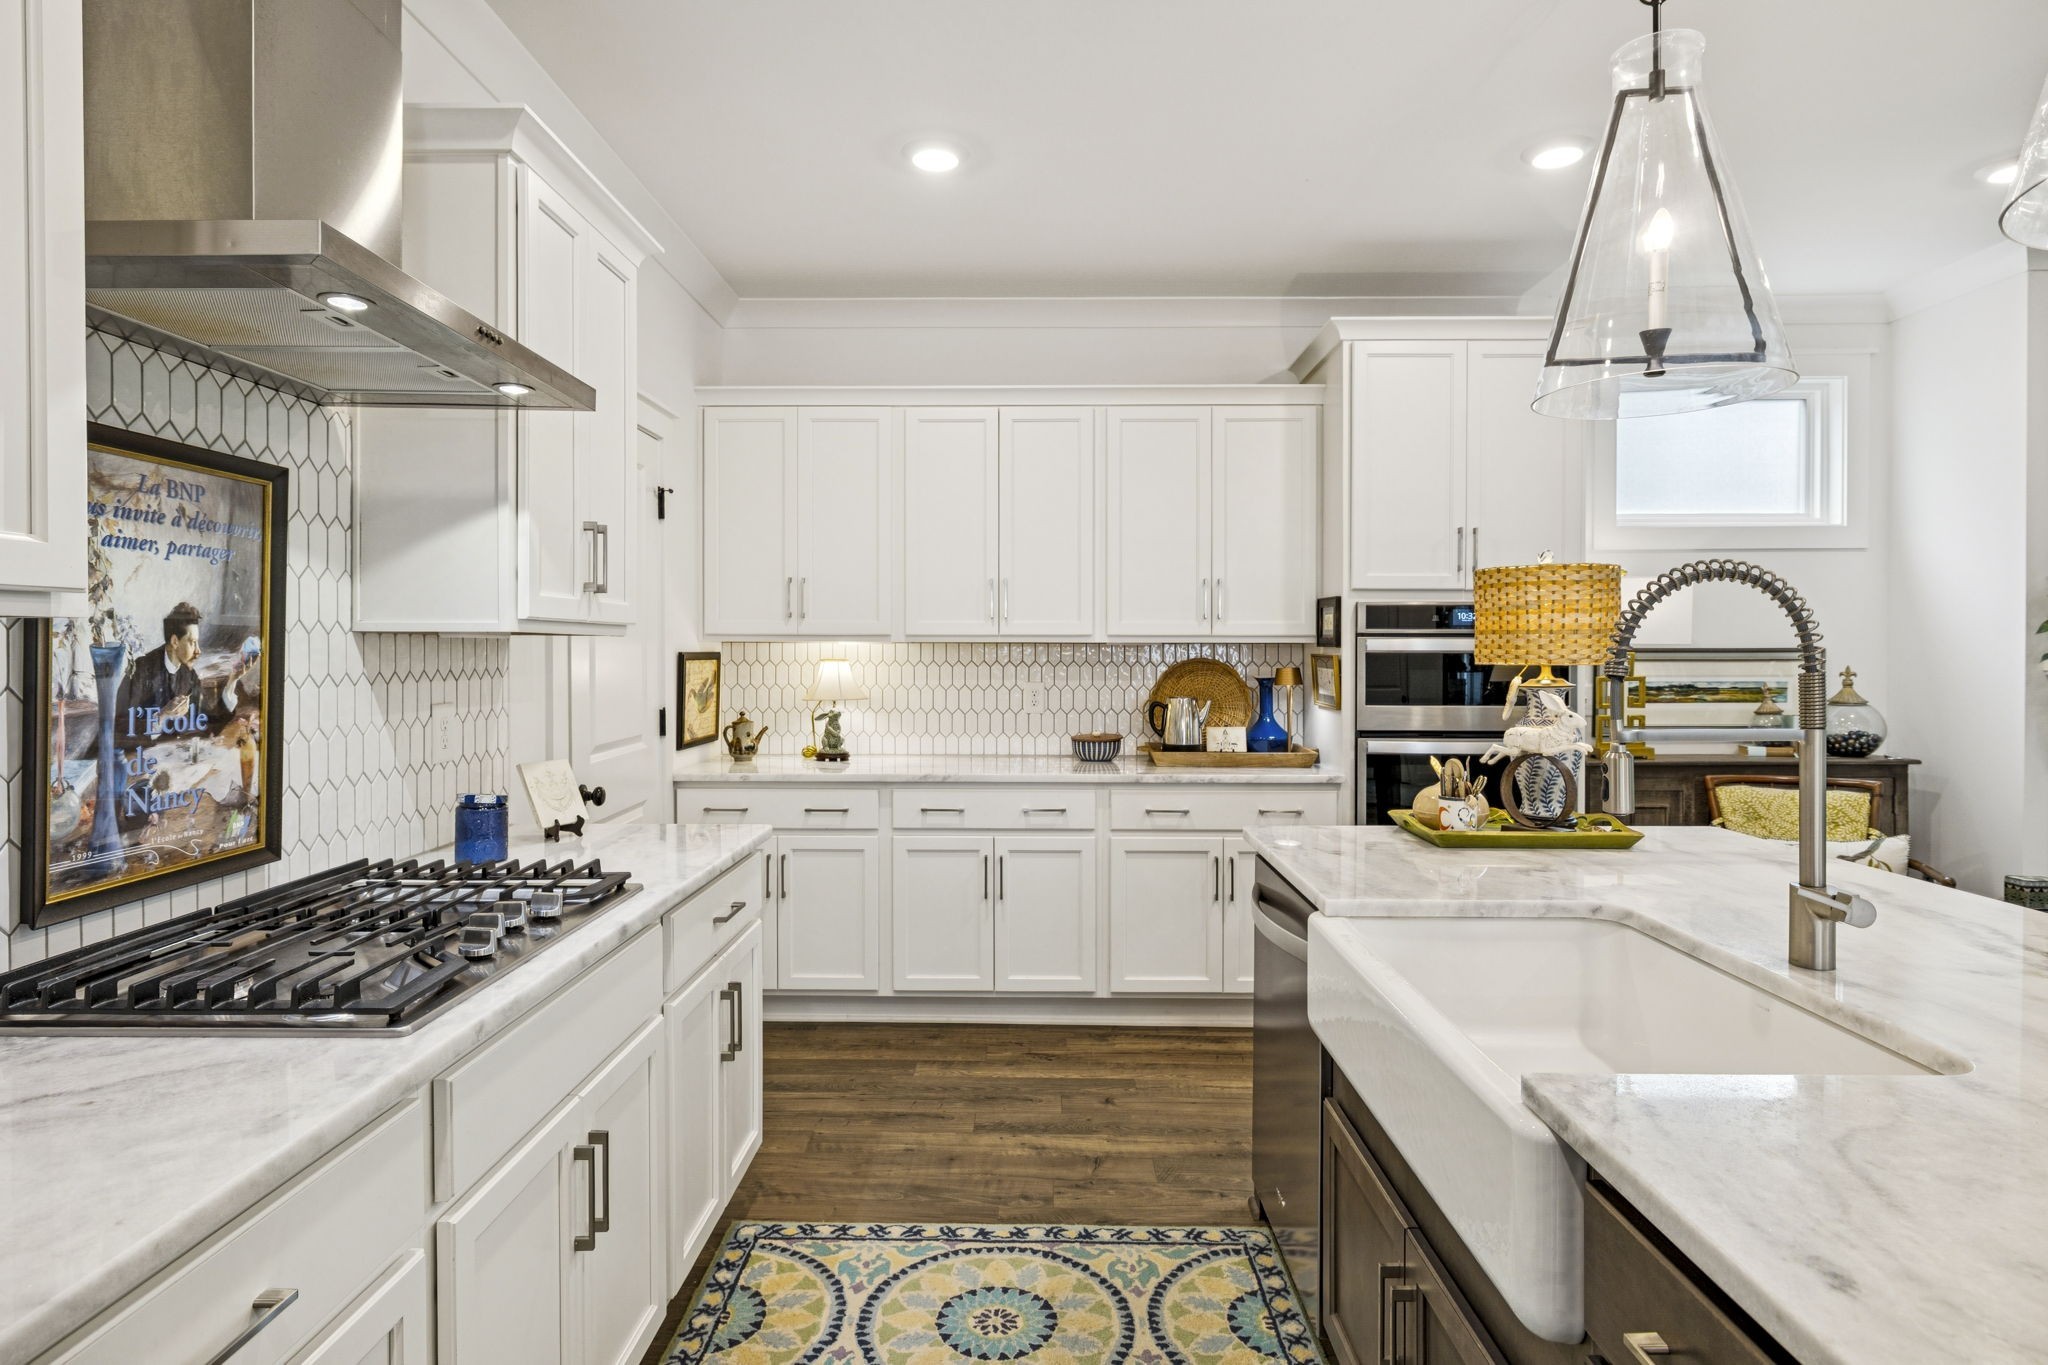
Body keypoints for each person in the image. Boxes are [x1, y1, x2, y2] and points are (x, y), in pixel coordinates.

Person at [117, 602, 254, 745]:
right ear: (175, 641)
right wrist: (163, 715)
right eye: (192, 642)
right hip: (139, 759)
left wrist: (232, 680)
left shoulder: (189, 675)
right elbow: (119, 726)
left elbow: (208, 722)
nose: (198, 651)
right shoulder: (141, 670)